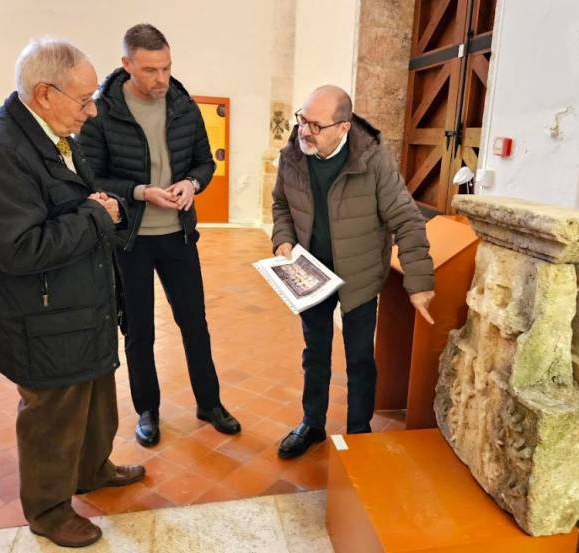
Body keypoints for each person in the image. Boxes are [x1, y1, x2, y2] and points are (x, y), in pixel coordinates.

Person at [0, 39, 144, 548]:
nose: (92, 111)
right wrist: (96, 215)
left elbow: (81, 198)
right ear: (44, 93)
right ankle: (48, 509)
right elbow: (19, 248)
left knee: (96, 398)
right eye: (84, 100)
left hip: (79, 305)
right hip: (41, 317)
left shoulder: (53, 130)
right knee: (53, 414)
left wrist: (105, 210)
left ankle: (91, 470)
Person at [79, 23, 240, 447]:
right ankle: (147, 410)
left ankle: (210, 402)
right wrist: (139, 192)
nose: (161, 79)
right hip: (130, 240)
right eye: (150, 70)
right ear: (127, 64)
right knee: (139, 332)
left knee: (195, 324)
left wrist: (193, 183)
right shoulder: (102, 112)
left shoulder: (184, 106)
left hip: (178, 236)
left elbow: (205, 163)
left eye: (167, 68)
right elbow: (91, 175)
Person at [271, 85, 436, 459]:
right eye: (302, 119)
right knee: (315, 353)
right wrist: (282, 239)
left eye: (315, 124)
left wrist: (419, 283)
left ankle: (359, 431)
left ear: (343, 128)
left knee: (360, 356)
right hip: (310, 274)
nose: (304, 131)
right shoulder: (293, 156)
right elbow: (281, 203)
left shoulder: (373, 162)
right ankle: (312, 423)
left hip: (358, 277)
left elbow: (408, 221)